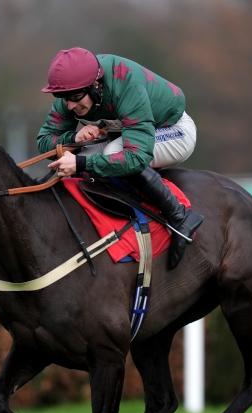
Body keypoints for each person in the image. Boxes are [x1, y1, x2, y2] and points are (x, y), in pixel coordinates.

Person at [37, 47, 203, 269]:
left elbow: (136, 157)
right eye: (63, 98)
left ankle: (180, 216)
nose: (70, 106)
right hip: (132, 134)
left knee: (109, 153)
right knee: (85, 150)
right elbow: (44, 141)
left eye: (76, 98)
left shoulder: (125, 83)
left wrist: (80, 164)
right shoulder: (71, 89)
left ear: (95, 86)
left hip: (174, 131)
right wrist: (74, 137)